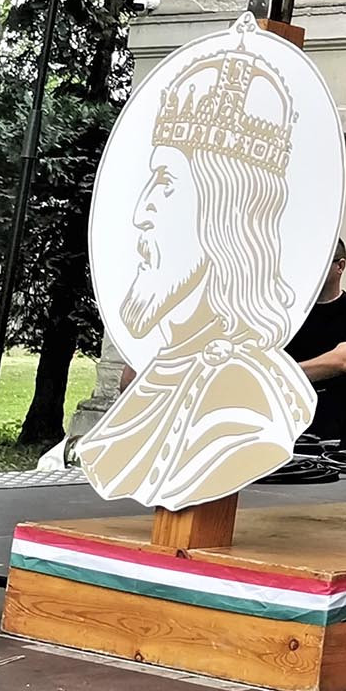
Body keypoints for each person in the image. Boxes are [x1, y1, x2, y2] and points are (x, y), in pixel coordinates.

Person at [77, 49, 313, 508]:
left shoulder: (243, 402)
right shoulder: (166, 369)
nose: (141, 213)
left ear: (223, 214)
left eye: (166, 184)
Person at [284, 238, 346, 441]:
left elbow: (342, 361)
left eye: (318, 262)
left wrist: (284, 374)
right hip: (288, 425)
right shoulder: (289, 311)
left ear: (340, 266)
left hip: (333, 432)